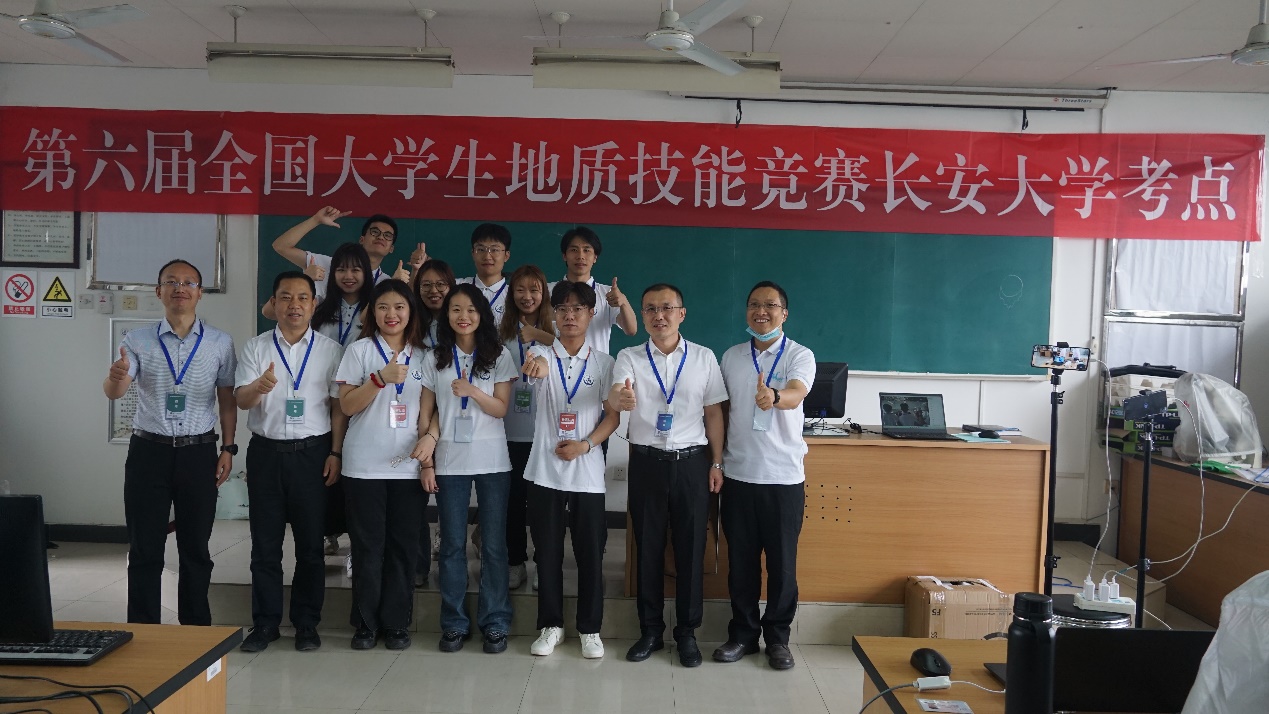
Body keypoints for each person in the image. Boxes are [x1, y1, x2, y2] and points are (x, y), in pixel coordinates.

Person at [103, 258, 238, 626]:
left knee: (196, 548)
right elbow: (115, 392)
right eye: (172, 282)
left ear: (200, 292)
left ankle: (194, 628)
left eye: (189, 282)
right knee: (145, 547)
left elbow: (227, 400)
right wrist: (115, 377)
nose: (180, 288)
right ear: (158, 291)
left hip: (199, 452)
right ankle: (143, 628)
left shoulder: (220, 342)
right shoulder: (137, 340)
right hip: (149, 453)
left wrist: (228, 447)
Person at [609, 283, 726, 667]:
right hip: (647, 463)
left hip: (692, 463)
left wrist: (716, 462)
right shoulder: (629, 356)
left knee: (691, 548)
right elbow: (616, 394)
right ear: (642, 315)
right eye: (650, 309)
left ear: (681, 313)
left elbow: (713, 413)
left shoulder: (704, 357)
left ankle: (687, 633)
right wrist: (621, 398)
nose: (658, 315)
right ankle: (650, 631)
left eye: (666, 308)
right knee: (648, 548)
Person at [234, 271, 346, 653]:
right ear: (274, 304)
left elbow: (337, 408)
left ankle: (306, 624)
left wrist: (335, 453)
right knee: (264, 546)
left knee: (311, 546)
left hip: (313, 455)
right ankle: (265, 624)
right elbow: (242, 400)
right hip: (266, 453)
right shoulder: (256, 348)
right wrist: (258, 387)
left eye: (302, 298)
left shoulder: (331, 351)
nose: (294, 305)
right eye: (285, 297)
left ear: (314, 304)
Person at [713, 281, 815, 670]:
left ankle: (777, 639)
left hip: (783, 478)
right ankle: (742, 635)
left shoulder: (799, 355)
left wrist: (774, 396)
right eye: (754, 304)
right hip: (739, 475)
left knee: (782, 566)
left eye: (770, 305)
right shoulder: (731, 357)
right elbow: (721, 411)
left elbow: (796, 392)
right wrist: (716, 461)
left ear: (784, 313)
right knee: (741, 564)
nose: (761, 312)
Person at [412, 283, 517, 654]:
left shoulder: (499, 354)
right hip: (449, 461)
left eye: (471, 309)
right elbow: (427, 412)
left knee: (494, 545)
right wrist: (427, 461)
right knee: (453, 544)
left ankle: (495, 622)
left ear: (482, 314)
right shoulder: (435, 357)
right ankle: (454, 623)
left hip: (492, 461)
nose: (463, 316)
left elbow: (501, 409)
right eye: (455, 309)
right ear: (446, 315)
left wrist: (473, 391)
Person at [519, 281, 619, 659]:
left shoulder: (605, 363)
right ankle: (551, 625)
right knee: (547, 553)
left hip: (587, 472)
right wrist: (539, 368)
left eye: (578, 309)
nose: (570, 315)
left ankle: (590, 629)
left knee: (590, 553)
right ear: (553, 314)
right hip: (544, 472)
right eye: (562, 308)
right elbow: (538, 370)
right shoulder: (540, 352)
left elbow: (612, 417)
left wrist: (585, 445)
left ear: (592, 314)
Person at [334, 279, 429, 650]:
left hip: (408, 466)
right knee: (367, 548)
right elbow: (346, 405)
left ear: (411, 312)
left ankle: (396, 623)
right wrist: (379, 379)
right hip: (364, 465)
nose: (392, 314)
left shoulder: (424, 355)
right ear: (372, 312)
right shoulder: (358, 351)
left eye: (399, 307)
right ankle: (365, 623)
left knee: (403, 547)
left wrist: (427, 461)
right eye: (383, 307)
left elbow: (429, 412)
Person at [308, 242, 375, 564]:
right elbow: (270, 312)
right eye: (342, 269)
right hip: (321, 401)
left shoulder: (376, 309)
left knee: (357, 476)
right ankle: (329, 533)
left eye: (356, 269)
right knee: (328, 469)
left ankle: (357, 545)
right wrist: (308, 280)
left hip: (364, 400)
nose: (349, 275)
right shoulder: (320, 307)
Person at [498, 265, 556, 591]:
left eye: (534, 289)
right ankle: (515, 562)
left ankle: (544, 564)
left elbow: (569, 349)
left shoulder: (556, 328)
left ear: (544, 294)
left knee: (544, 505)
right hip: (508, 431)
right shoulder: (500, 331)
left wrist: (538, 335)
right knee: (513, 502)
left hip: (545, 432)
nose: (527, 296)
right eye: (520, 289)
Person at [411, 258, 456, 586]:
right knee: (414, 493)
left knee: (448, 491)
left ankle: (450, 556)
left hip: (452, 414)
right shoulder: (410, 321)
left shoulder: (461, 323)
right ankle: (417, 565)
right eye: (426, 285)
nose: (434, 290)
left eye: (441, 284)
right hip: (410, 411)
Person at [271, 206, 423, 301]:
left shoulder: (385, 283)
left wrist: (408, 276)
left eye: (387, 236)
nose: (380, 237)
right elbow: (281, 246)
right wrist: (316, 220)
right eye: (374, 232)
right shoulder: (328, 264)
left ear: (391, 249)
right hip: (319, 342)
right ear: (362, 239)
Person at [546, 226, 637, 354]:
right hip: (555, 364)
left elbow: (631, 330)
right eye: (574, 250)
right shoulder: (547, 291)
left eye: (586, 250)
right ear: (564, 256)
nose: (580, 256)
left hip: (597, 365)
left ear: (595, 257)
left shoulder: (608, 294)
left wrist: (623, 302)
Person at [456, 223, 512, 327]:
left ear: (506, 256)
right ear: (473, 253)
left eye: (495, 250)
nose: (487, 256)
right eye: (481, 249)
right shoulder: (456, 287)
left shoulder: (514, 295)